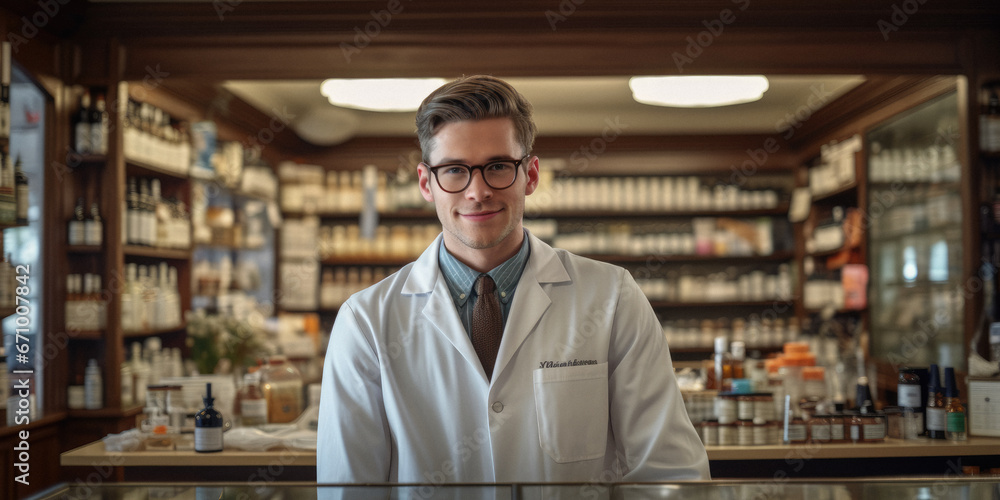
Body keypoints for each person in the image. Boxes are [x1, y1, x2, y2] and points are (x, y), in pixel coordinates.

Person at [316, 75, 710, 483]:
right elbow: (348, 486)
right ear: (425, 183)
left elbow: (669, 470)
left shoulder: (612, 297)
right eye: (454, 170)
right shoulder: (365, 321)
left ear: (532, 175)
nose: (478, 191)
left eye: (498, 167)